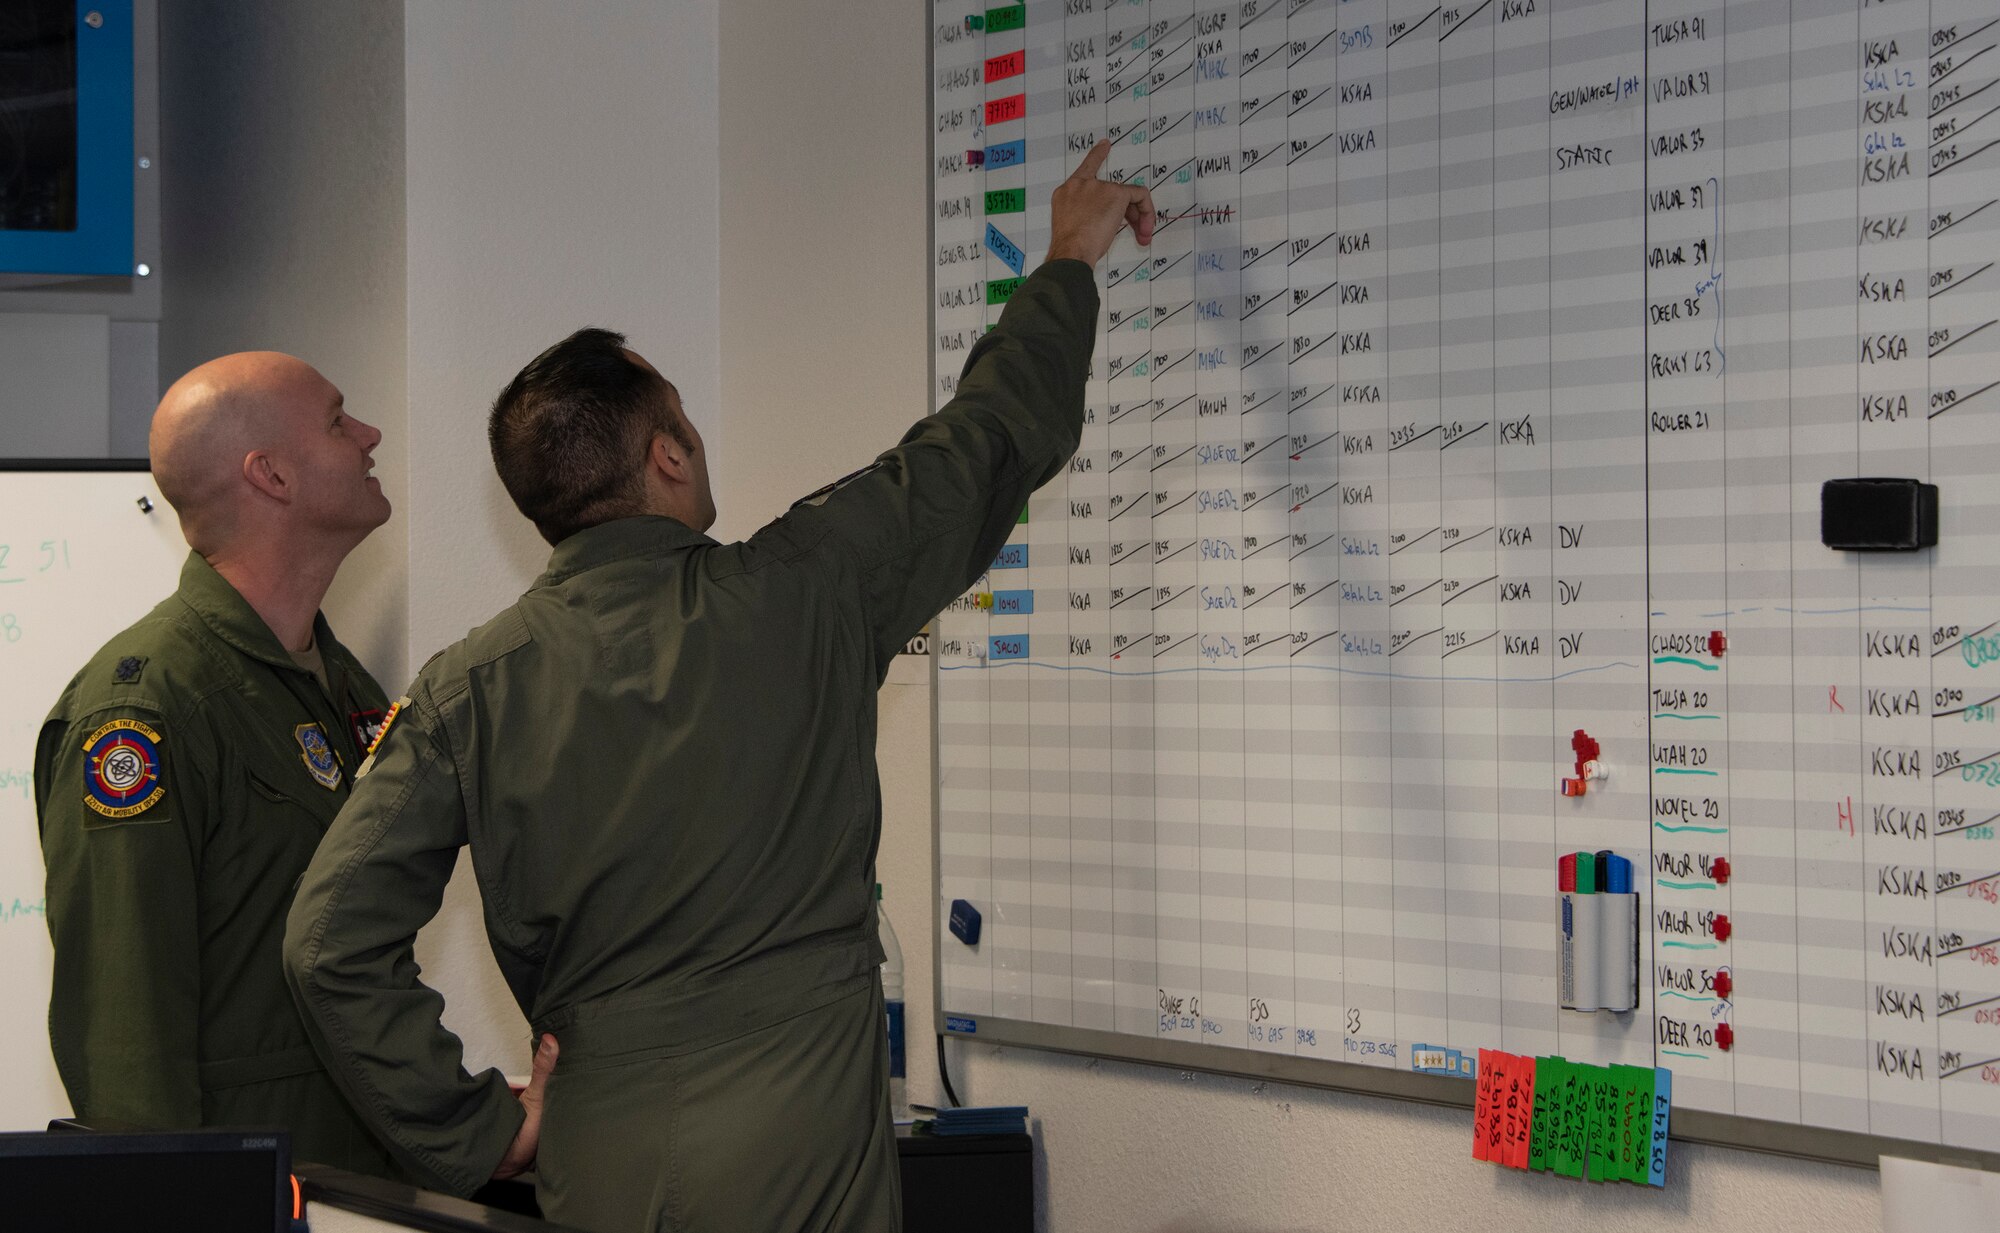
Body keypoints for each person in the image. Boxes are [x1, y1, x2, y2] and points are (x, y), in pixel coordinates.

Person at [283, 141, 1154, 1230]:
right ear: (668, 457)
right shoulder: (808, 586)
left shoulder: (465, 689)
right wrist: (1066, 261)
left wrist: (476, 1132)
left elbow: (327, 940)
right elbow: (982, 444)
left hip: (600, 1160)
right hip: (802, 1153)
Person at [34, 352, 436, 1173]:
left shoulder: (339, 682)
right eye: (337, 420)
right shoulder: (145, 711)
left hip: (357, 1178)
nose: (371, 434)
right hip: (248, 1188)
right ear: (272, 475)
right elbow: (127, 1039)